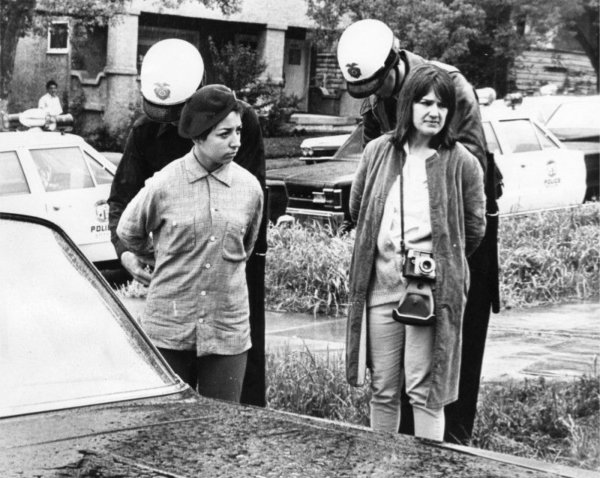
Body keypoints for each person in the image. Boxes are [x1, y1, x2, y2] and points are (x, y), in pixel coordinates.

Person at [338, 18, 500, 443]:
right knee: (385, 385)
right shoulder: (377, 107)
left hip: (451, 241)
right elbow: (368, 185)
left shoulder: (451, 87)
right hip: (387, 270)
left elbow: (469, 188)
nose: (377, 96)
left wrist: (445, 248)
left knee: (435, 379)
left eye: (381, 84)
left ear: (396, 64)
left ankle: (449, 450)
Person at [107, 39, 268, 407]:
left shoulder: (242, 124)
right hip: (175, 275)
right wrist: (131, 256)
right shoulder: (145, 132)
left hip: (228, 269)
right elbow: (123, 203)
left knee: (235, 388)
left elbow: (252, 212)